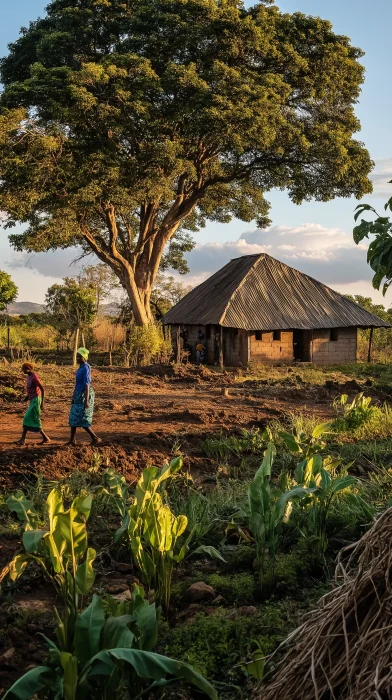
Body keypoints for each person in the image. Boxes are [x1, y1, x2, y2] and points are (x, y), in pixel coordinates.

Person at [66, 348, 100, 446]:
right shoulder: (80, 367)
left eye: (79, 356)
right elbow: (77, 384)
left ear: (84, 357)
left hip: (84, 394)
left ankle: (95, 438)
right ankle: (72, 440)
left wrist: (87, 400)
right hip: (78, 394)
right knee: (73, 417)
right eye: (77, 356)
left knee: (82, 418)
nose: (77, 358)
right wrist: (73, 396)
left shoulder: (86, 367)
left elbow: (87, 383)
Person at [18, 362, 51, 445]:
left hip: (37, 400)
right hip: (32, 399)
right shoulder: (29, 377)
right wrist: (27, 397)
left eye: (24, 369)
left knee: (30, 418)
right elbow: (30, 388)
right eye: (23, 369)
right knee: (29, 418)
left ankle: (23, 439)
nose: (23, 370)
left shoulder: (34, 377)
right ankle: (44, 438)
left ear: (29, 369)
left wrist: (42, 403)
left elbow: (42, 389)